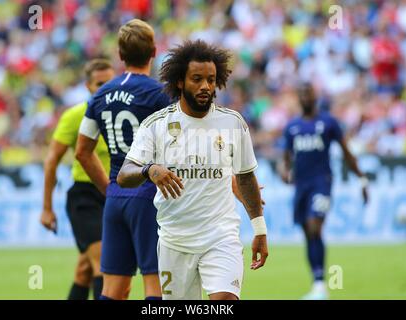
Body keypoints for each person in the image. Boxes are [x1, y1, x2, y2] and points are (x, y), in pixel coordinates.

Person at [117, 39, 269, 300]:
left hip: (220, 237)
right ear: (179, 81)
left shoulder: (232, 123)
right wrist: (149, 170)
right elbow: (124, 175)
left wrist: (260, 230)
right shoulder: (156, 125)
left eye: (211, 79)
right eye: (197, 79)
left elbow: (245, 177)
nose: (205, 86)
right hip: (175, 241)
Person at [75, 19, 171, 300]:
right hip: (149, 196)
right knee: (157, 287)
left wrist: (109, 189)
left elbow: (82, 151)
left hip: (116, 197)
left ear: (119, 54)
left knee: (113, 290)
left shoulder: (101, 94)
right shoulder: (159, 95)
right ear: (154, 51)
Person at [278, 82, 369, 300]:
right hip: (301, 186)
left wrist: (362, 179)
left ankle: (320, 287)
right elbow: (285, 159)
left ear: (315, 96)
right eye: (301, 94)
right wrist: (284, 172)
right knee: (308, 233)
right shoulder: (292, 127)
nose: (305, 97)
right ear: (298, 99)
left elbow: (346, 153)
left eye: (308, 93)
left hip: (322, 183)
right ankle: (317, 282)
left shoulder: (328, 123)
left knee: (314, 226)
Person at [40, 59, 114, 300]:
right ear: (88, 86)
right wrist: (47, 209)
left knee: (84, 269)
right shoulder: (75, 116)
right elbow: (51, 160)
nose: (105, 89)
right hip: (86, 198)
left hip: (113, 196)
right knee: (103, 264)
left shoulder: (121, 116)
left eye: (110, 84)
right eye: (99, 84)